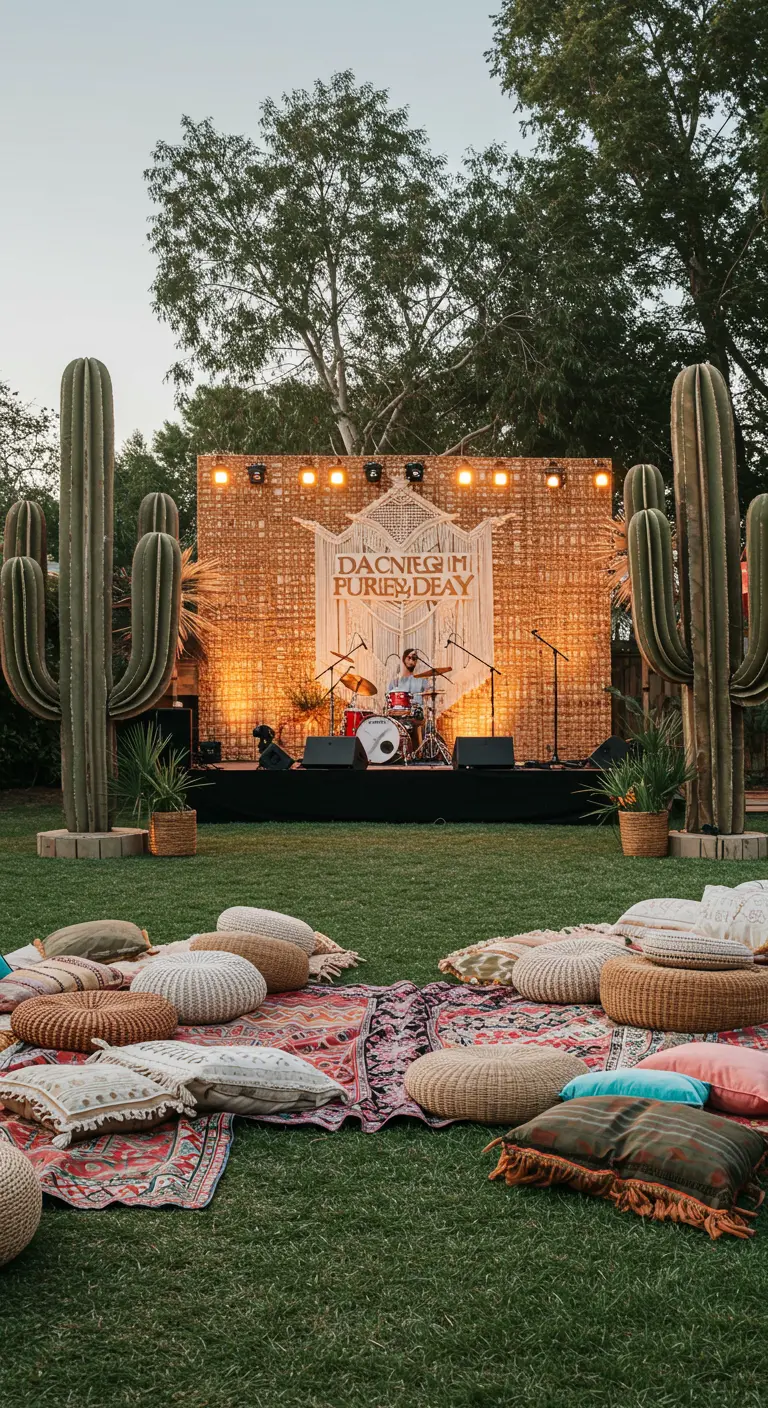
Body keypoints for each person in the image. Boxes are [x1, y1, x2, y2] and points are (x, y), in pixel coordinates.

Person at [387, 648, 427, 751]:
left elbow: (428, 696)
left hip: (416, 715)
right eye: (409, 658)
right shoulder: (395, 682)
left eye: (414, 658)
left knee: (414, 723)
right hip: (398, 715)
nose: (411, 661)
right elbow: (388, 699)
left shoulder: (422, 680)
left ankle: (417, 752)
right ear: (404, 659)